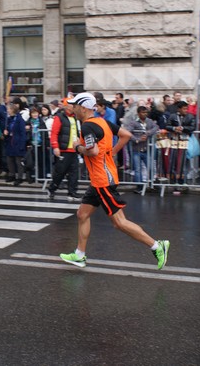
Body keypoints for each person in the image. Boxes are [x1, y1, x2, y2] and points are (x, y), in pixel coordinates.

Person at [58, 92, 170, 270]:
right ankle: (79, 255)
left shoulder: (87, 126)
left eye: (75, 105)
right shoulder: (102, 122)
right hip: (99, 179)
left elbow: (92, 151)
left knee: (119, 222)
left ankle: (157, 246)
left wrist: (78, 147)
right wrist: (112, 152)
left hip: (103, 180)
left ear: (84, 108)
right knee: (82, 214)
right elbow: (125, 135)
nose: (73, 108)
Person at [47, 99, 81, 200]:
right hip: (64, 149)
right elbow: (54, 133)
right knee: (60, 172)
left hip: (74, 149)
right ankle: (52, 188)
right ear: (66, 107)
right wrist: (56, 147)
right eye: (71, 105)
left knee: (74, 172)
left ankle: (72, 192)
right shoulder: (59, 117)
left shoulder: (75, 118)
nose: (73, 107)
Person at [123, 105, 159, 187]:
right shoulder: (134, 123)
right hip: (137, 149)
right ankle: (139, 186)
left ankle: (150, 184)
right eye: (143, 112)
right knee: (137, 169)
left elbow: (156, 127)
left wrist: (148, 133)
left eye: (146, 112)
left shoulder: (149, 121)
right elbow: (127, 132)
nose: (145, 114)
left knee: (150, 167)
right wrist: (137, 139)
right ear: (138, 113)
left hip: (147, 149)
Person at [165, 101, 195, 185]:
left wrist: (182, 128)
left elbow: (192, 127)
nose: (186, 110)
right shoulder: (173, 116)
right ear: (179, 109)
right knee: (174, 161)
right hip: (174, 141)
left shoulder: (190, 116)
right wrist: (174, 128)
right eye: (184, 109)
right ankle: (174, 181)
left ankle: (182, 181)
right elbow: (167, 126)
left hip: (185, 142)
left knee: (184, 162)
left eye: (186, 108)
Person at [4, 102, 27, 186]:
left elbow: (22, 132)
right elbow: (8, 128)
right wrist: (6, 133)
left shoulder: (19, 119)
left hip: (17, 142)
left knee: (18, 161)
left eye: (9, 109)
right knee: (10, 160)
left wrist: (22, 144)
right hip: (10, 142)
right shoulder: (9, 119)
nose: (8, 111)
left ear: (13, 110)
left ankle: (20, 177)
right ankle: (12, 174)